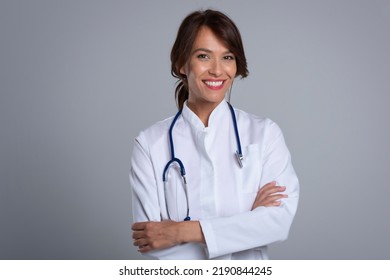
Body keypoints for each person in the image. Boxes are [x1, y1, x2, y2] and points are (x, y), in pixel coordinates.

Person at [130, 9, 299, 260]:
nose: (217, 70)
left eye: (227, 57)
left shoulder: (264, 134)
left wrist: (182, 231)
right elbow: (153, 240)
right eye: (203, 56)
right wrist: (249, 223)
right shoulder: (150, 144)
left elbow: (277, 222)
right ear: (181, 64)